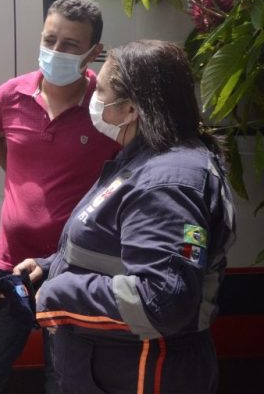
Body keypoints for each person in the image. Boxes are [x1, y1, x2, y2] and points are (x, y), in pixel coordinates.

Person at [16, 40, 236, 393]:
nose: (93, 97)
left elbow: (162, 299)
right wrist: (51, 266)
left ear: (131, 108)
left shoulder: (167, 182)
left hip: (142, 374)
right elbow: (117, 245)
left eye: (101, 90)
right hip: (114, 370)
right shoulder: (144, 159)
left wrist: (59, 292)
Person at [0, 0, 122, 394]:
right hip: (9, 268)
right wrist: (24, 181)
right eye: (49, 40)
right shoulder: (9, 95)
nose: (55, 51)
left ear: (93, 52)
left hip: (74, 271)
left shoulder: (106, 107)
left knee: (63, 381)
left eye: (70, 45)